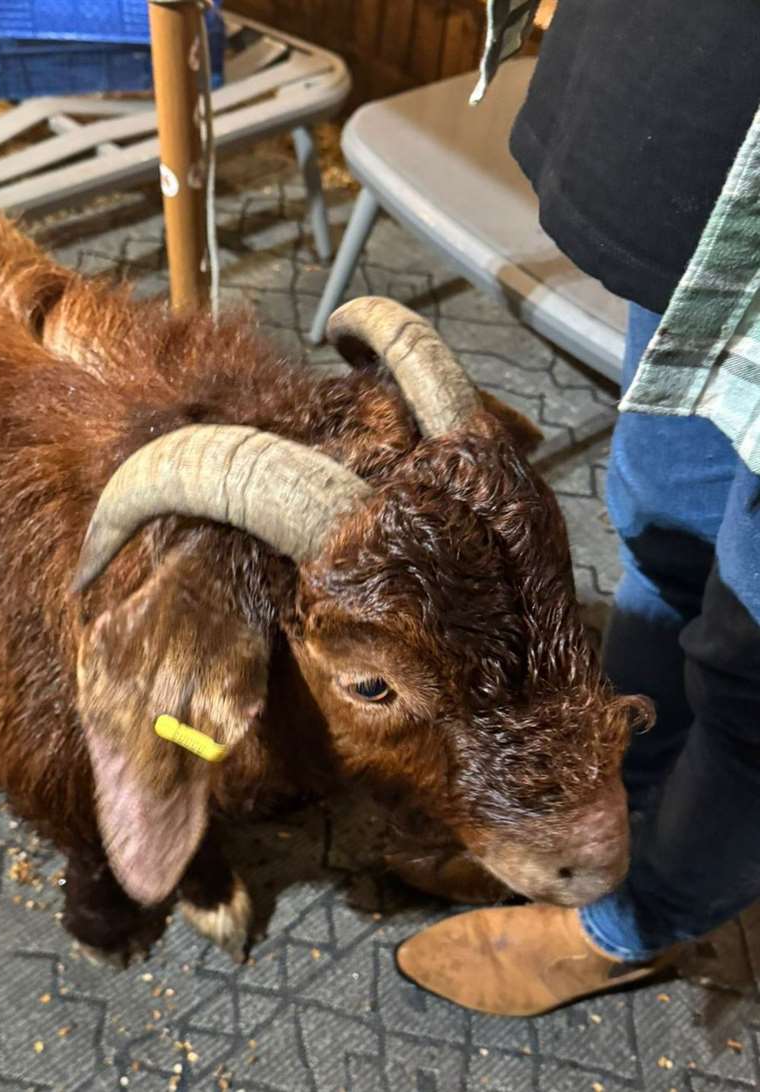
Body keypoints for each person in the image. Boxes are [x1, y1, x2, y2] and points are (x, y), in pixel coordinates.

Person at [394, 0, 760, 1016]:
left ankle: (634, 926)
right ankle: (617, 821)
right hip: (726, 140)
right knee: (659, 527)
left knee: (756, 667)